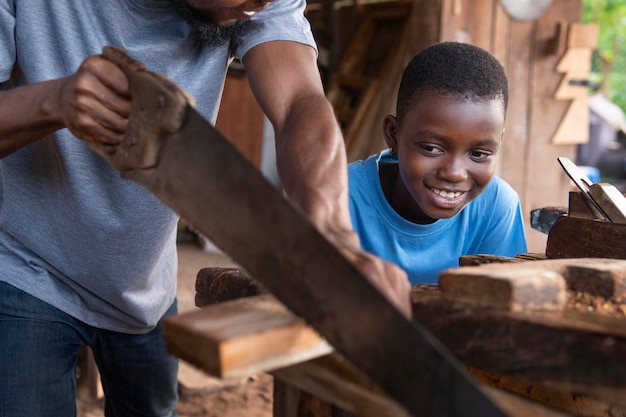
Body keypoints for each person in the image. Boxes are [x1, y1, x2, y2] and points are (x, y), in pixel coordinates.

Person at [0, 1, 411, 415]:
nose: (262, 3)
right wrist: (52, 100)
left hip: (145, 285)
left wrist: (332, 236)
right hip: (28, 268)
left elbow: (298, 103)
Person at [348, 41, 528, 285]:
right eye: (432, 149)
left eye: (479, 153)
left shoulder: (496, 207)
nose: (454, 174)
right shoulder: (342, 195)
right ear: (394, 134)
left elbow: (505, 307)